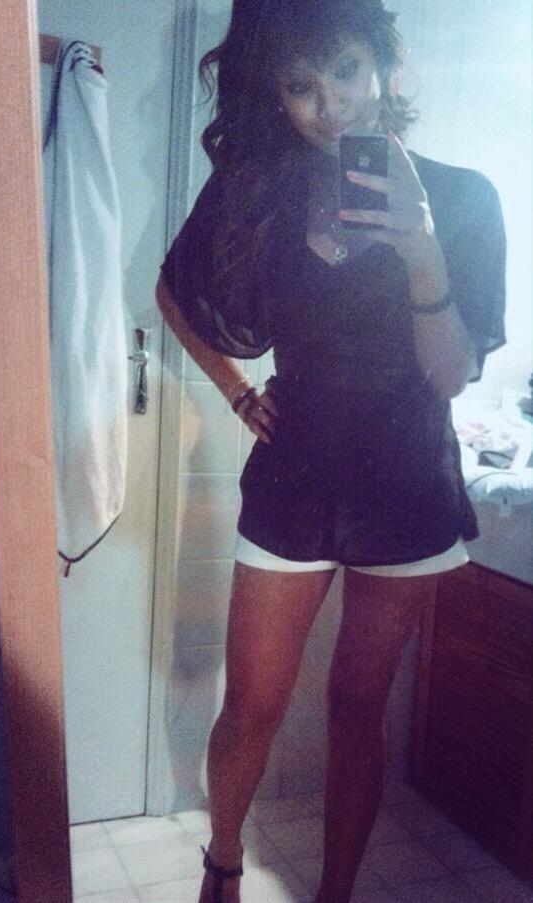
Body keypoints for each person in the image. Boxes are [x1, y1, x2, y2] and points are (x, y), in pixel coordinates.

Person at [156, 1, 506, 900]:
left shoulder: (464, 197)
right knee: (253, 704)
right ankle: (222, 865)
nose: (329, 104)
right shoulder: (260, 194)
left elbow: (451, 374)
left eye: (345, 70)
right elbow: (173, 290)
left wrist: (421, 247)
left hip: (409, 482)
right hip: (295, 475)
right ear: (275, 96)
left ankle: (336, 893)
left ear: (384, 63)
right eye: (300, 85)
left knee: (357, 707)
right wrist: (237, 391)